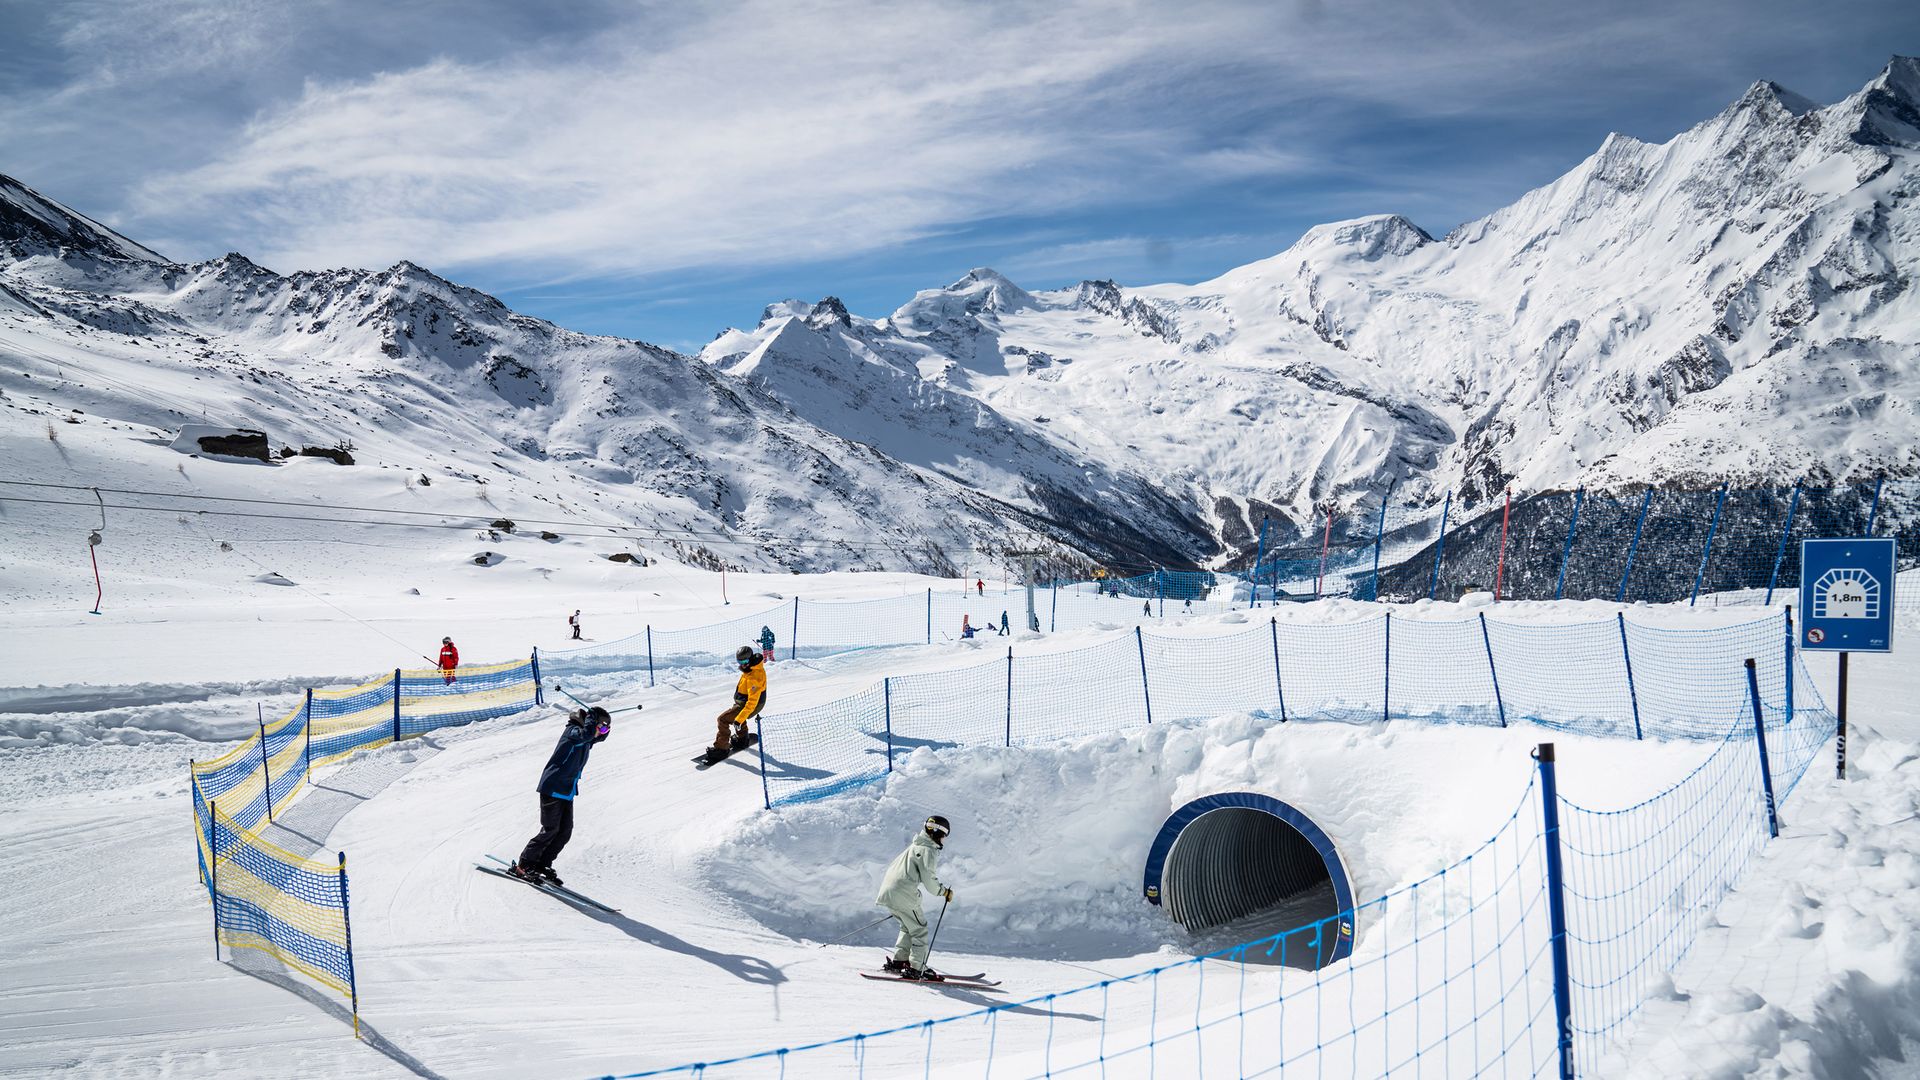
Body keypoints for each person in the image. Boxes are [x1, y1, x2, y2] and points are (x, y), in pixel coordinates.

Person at [509, 706, 612, 887]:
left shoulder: (586, 739)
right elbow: (586, 734)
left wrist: (605, 729)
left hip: (566, 791)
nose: (602, 732)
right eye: (601, 727)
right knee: (550, 829)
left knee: (564, 832)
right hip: (553, 787)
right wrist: (592, 719)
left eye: (605, 729)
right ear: (591, 722)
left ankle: (541, 864)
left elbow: (596, 738)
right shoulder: (572, 732)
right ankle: (524, 864)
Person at [876, 815, 956, 980]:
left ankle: (900, 961)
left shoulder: (915, 846)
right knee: (920, 929)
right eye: (943, 835)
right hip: (903, 893)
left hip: (888, 891)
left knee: (908, 926)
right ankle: (917, 968)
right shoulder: (928, 850)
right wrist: (944, 892)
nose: (943, 839)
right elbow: (929, 881)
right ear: (936, 832)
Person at [705, 645, 767, 763]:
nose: (742, 664)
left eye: (744, 661)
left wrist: (738, 719)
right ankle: (742, 739)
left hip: (750, 703)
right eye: (740, 661)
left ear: (750, 659)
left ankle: (721, 750)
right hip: (743, 701)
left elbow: (752, 703)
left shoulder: (755, 676)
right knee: (737, 715)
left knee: (723, 719)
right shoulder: (751, 667)